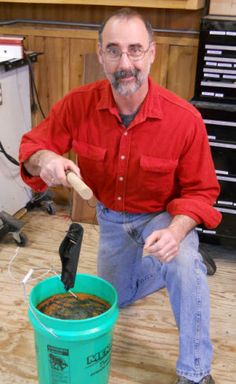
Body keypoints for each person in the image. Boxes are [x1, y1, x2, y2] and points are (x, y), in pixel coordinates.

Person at [19, 8, 221, 384]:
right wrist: (44, 160)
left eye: (135, 50)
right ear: (100, 55)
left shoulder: (184, 119)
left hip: (161, 217)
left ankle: (196, 372)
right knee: (118, 298)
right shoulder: (77, 105)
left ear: (152, 53)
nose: (125, 63)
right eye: (114, 51)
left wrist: (178, 233)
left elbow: (202, 191)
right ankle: (171, 271)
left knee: (182, 263)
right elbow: (33, 148)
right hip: (111, 219)